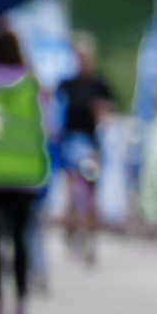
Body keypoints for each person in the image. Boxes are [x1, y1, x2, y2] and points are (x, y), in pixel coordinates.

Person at [0, 25, 49, 314]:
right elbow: (48, 126)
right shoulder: (32, 83)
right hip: (23, 176)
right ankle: (20, 302)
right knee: (20, 240)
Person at [56, 33, 116, 266]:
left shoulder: (99, 85)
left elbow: (111, 109)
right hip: (71, 142)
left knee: (90, 194)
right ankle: (73, 232)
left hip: (91, 144)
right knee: (72, 192)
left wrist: (102, 110)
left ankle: (90, 238)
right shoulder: (67, 84)